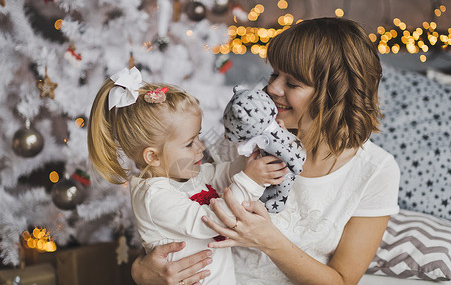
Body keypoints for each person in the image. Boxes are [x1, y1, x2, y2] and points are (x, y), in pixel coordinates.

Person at [131, 17, 400, 285]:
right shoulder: (244, 137)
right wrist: (141, 271)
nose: (272, 88)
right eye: (274, 74)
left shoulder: (375, 170)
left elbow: (342, 281)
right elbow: (165, 202)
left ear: (336, 96)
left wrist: (269, 241)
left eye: (292, 83)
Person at [87, 67, 288, 284]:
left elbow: (222, 175)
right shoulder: (154, 196)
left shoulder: (183, 174)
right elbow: (210, 221)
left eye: (198, 136)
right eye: (189, 143)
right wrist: (250, 180)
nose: (201, 147)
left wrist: (250, 162)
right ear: (153, 157)